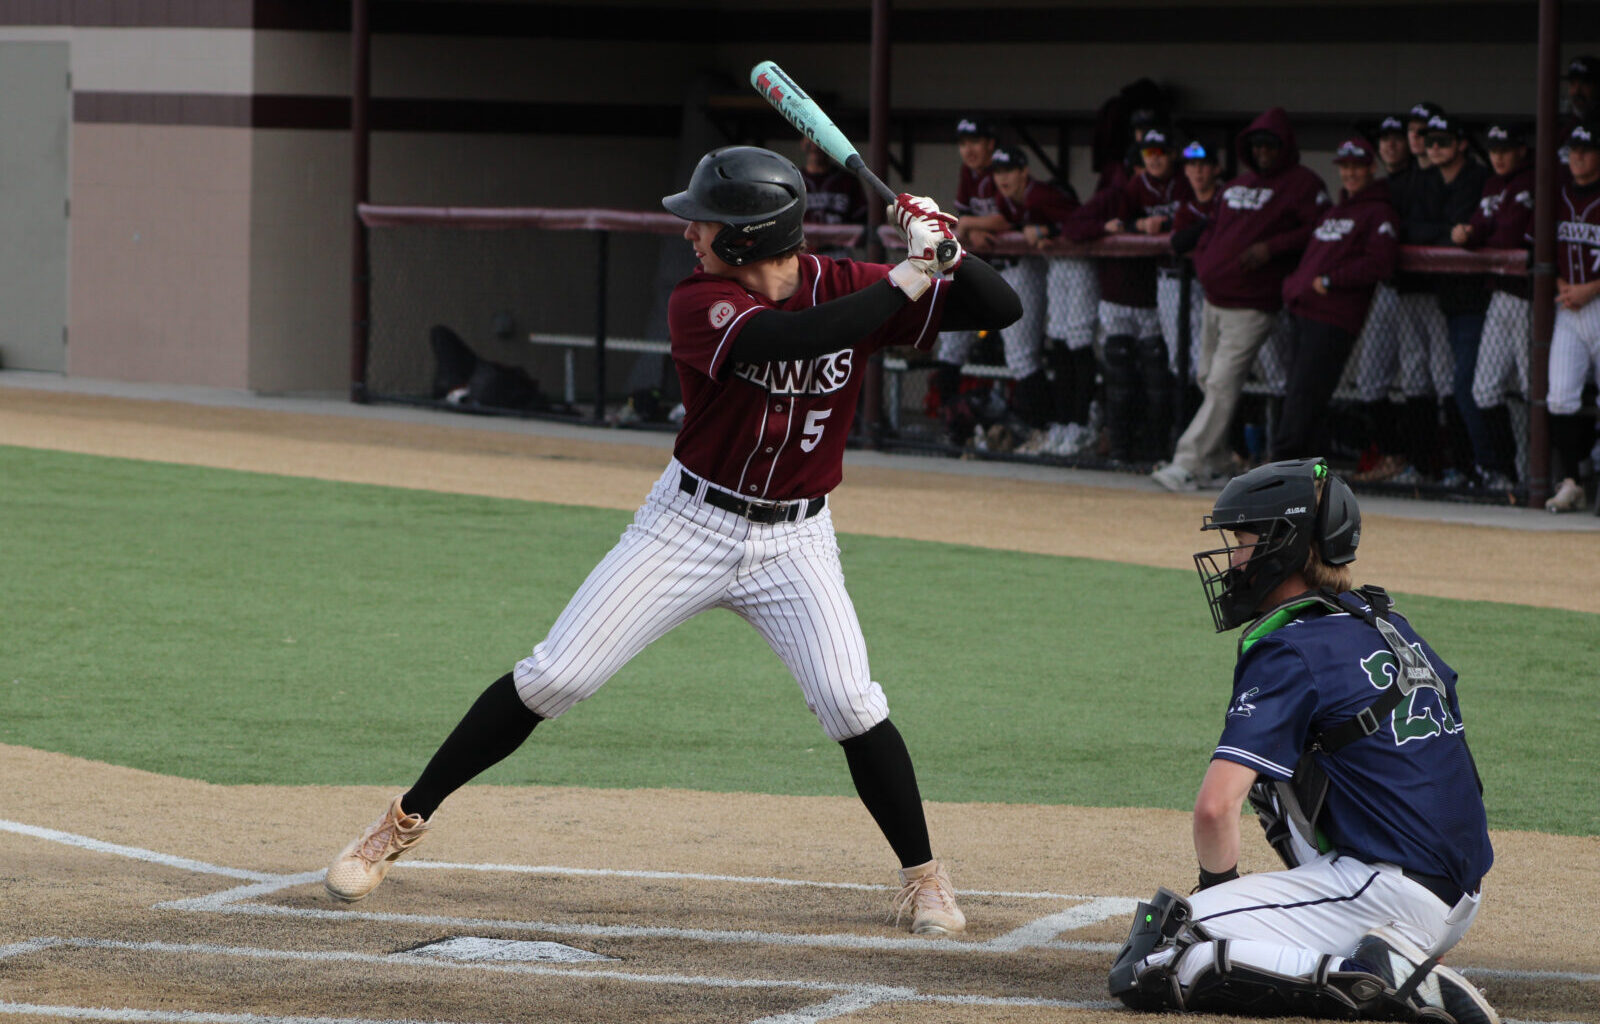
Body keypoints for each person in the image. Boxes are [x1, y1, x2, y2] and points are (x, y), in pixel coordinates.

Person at [321, 146, 1023, 935]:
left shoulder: (847, 281)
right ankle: (400, 823)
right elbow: (792, 340)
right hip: (688, 526)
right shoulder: (700, 300)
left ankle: (924, 878)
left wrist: (946, 246)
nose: (690, 233)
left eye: (706, 223)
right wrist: (910, 273)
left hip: (797, 539)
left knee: (850, 701)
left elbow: (1001, 308)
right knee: (556, 676)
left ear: (750, 236)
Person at [1108, 457, 1497, 1024]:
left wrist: (1215, 895)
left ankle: (1375, 974)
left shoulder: (1290, 647)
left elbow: (1215, 807)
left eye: (1242, 542)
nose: (1233, 560)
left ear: (1282, 545)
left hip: (1389, 888)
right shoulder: (1386, 621)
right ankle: (1381, 946)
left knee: (1162, 954)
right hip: (1455, 887)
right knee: (1278, 773)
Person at [1152, 108, 1329, 491]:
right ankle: (1217, 463)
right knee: (1206, 378)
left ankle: (1188, 462)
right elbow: (1212, 228)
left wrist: (1271, 248)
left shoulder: (1302, 183)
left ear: (1285, 146)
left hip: (1253, 303)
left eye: (1270, 144)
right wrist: (1206, 262)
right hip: (1214, 298)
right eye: (1257, 144)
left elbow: (1318, 229)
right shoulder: (1235, 185)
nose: (1262, 150)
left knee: (1221, 383)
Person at [1064, 125, 1191, 461]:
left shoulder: (1182, 186)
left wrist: (1153, 225)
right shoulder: (1119, 194)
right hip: (1118, 299)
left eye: (1159, 156)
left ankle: (1156, 450)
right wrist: (1109, 227)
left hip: (1156, 298)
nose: (1146, 171)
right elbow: (1072, 227)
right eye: (1142, 162)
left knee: (1158, 379)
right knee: (1119, 378)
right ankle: (1120, 451)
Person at [1274, 137, 1399, 461]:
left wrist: (1332, 280)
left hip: (1333, 318)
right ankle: (1312, 474)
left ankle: (1281, 466)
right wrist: (1294, 285)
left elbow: (1380, 262)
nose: (1350, 173)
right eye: (1345, 167)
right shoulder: (1334, 210)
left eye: (1357, 167)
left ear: (1371, 168)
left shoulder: (1379, 211)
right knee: (1304, 398)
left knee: (1304, 396)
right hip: (1303, 310)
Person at [1408, 112, 1492, 487]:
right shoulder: (1428, 180)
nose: (1435, 148)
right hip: (1445, 300)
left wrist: (1449, 235)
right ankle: (1472, 467)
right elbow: (1413, 228)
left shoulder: (1479, 178)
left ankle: (1496, 468)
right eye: (1430, 142)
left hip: (1482, 299)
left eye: (1443, 141)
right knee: (1457, 386)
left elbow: (1475, 232)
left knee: (1471, 387)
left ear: (1461, 144)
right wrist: (1448, 234)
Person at [1455, 122, 1535, 491]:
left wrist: (1477, 235)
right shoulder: (1491, 184)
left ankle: (1540, 475)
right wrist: (1471, 233)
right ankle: (1507, 472)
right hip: (1500, 296)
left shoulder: (1532, 181)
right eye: (1494, 150)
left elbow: (1509, 234)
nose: (1499, 156)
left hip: (1530, 300)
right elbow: (1477, 227)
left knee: (1535, 392)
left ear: (1521, 150)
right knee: (1484, 390)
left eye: (1506, 149)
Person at [1347, 116, 1423, 480]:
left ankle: (1423, 463)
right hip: (1385, 291)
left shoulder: (1421, 179)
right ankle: (1391, 455)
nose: (1391, 144)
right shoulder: (1375, 189)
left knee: (1420, 381)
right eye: (1385, 139)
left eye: (1397, 138)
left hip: (1420, 293)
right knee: (1370, 380)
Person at [929, 116, 1001, 440]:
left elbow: (1007, 218)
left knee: (1017, 353)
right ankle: (954, 424)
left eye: (975, 142)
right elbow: (961, 223)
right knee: (952, 346)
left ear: (991, 144)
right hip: (975, 269)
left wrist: (972, 225)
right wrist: (972, 228)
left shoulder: (1003, 169)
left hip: (1012, 268)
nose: (968, 150)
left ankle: (1028, 428)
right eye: (963, 143)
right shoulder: (968, 174)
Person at [1546, 119, 1600, 512]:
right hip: (1567, 306)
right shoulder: (1558, 195)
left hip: (1596, 300)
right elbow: (1540, 251)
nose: (1577, 157)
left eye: (1586, 150)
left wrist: (1591, 288)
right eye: (1573, 151)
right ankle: (1572, 482)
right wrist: (1563, 284)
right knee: (1560, 397)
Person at [799, 136, 868, 259]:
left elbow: (864, 221)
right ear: (803, 144)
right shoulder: (795, 180)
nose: (815, 146)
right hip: (803, 253)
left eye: (819, 143)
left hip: (837, 254)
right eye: (810, 141)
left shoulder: (847, 181)